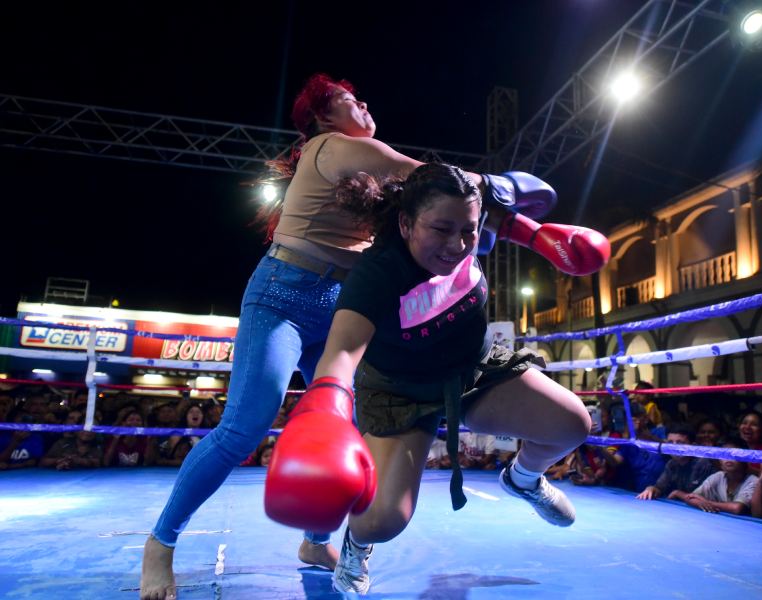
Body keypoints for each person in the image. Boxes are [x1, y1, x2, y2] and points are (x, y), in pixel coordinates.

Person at [140, 72, 567, 599]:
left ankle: (317, 541)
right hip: (283, 298)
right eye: (349, 100)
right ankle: (160, 543)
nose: (363, 104)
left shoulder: (370, 175)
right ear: (323, 117)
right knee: (244, 427)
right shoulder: (331, 146)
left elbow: (447, 213)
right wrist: (513, 197)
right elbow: (436, 180)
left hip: (347, 304)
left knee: (357, 430)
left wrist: (533, 235)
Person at [264, 163, 608, 594]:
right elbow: (344, 350)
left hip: (474, 369)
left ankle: (523, 479)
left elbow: (524, 197)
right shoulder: (379, 272)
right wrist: (324, 408)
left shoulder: (469, 225)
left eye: (468, 231)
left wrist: (535, 233)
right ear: (406, 224)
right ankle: (356, 545)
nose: (457, 245)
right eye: (442, 230)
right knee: (381, 520)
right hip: (400, 391)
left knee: (572, 424)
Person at [669, 439, 759, 516]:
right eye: (724, 454)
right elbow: (691, 498)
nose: (728, 458)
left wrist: (706, 502)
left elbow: (736, 508)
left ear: (745, 458)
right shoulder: (718, 476)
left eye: (734, 454)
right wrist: (700, 501)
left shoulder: (753, 480)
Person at [635, 425, 717, 500]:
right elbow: (659, 487)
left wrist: (678, 494)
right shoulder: (672, 464)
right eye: (670, 442)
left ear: (693, 446)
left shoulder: (704, 463)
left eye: (680, 443)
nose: (674, 447)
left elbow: (702, 499)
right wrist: (651, 489)